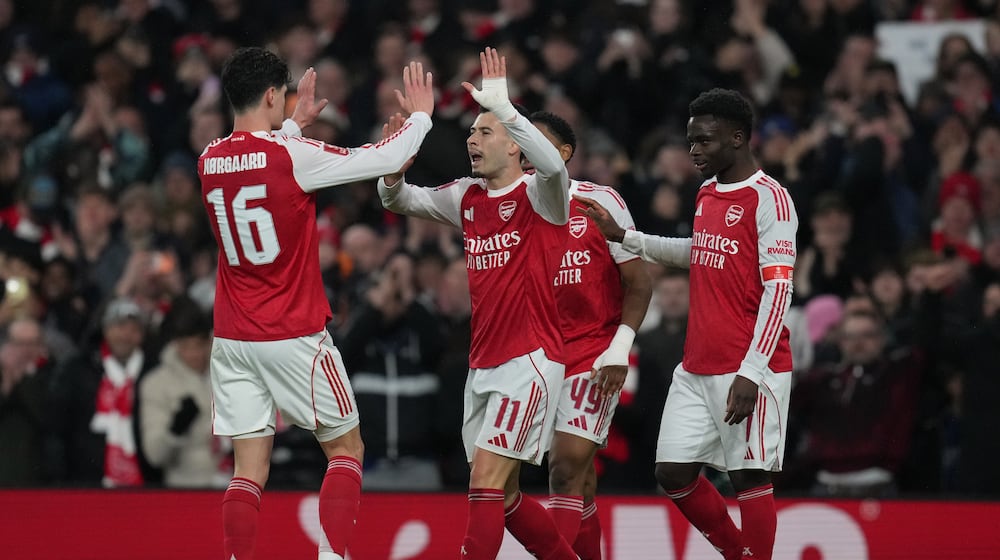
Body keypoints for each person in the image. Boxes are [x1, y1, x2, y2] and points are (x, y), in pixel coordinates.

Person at [200, 47, 435, 560]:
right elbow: (384, 158)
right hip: (294, 333)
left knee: (248, 470)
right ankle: (333, 558)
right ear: (270, 95)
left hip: (234, 339)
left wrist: (292, 127)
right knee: (346, 450)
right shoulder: (290, 157)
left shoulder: (208, 159)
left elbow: (257, 164)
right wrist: (421, 117)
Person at [575, 88, 798, 560]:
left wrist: (752, 373)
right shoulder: (707, 192)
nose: (693, 150)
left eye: (704, 141)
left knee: (750, 478)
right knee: (672, 473)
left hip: (750, 367)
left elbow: (779, 290)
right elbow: (698, 254)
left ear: (738, 139)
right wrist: (627, 238)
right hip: (697, 365)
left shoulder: (771, 201)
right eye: (691, 140)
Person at [377, 48, 577, 560]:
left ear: (516, 148)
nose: (472, 139)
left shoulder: (542, 196)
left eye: (485, 132)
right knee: (504, 496)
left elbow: (554, 164)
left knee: (485, 482)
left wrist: (506, 108)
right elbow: (399, 200)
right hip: (483, 364)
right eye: (471, 132)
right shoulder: (465, 196)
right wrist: (393, 170)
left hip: (529, 359)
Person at [526, 110, 652, 558]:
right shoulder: (510, 205)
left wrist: (618, 351)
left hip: (593, 354)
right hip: (538, 357)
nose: (525, 148)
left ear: (562, 154)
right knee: (581, 484)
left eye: (535, 140)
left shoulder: (599, 201)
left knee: (564, 468)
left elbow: (639, 281)